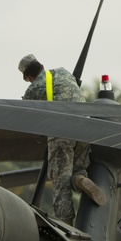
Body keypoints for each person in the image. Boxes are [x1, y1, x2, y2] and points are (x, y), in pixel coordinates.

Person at [18, 54, 107, 225]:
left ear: (28, 76)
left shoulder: (33, 89)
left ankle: (65, 225)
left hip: (62, 132)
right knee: (78, 169)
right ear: (41, 66)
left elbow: (27, 118)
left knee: (60, 183)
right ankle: (81, 179)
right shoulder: (64, 72)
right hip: (85, 128)